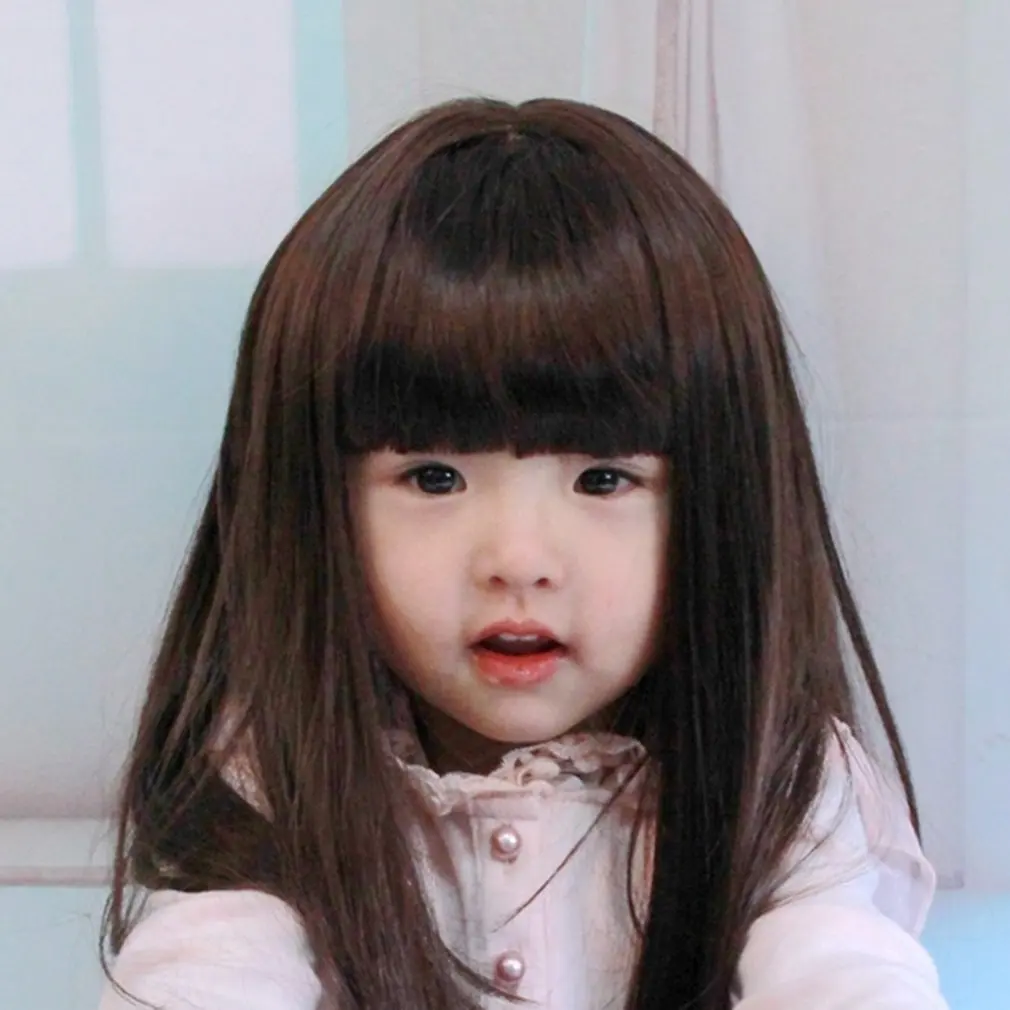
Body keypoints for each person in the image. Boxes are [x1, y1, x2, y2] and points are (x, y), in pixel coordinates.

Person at [97, 97, 948, 1010]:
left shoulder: (781, 779)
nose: (517, 559)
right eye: (433, 478)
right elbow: (205, 969)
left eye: (604, 480)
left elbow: (839, 968)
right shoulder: (274, 776)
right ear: (313, 506)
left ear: (724, 502)